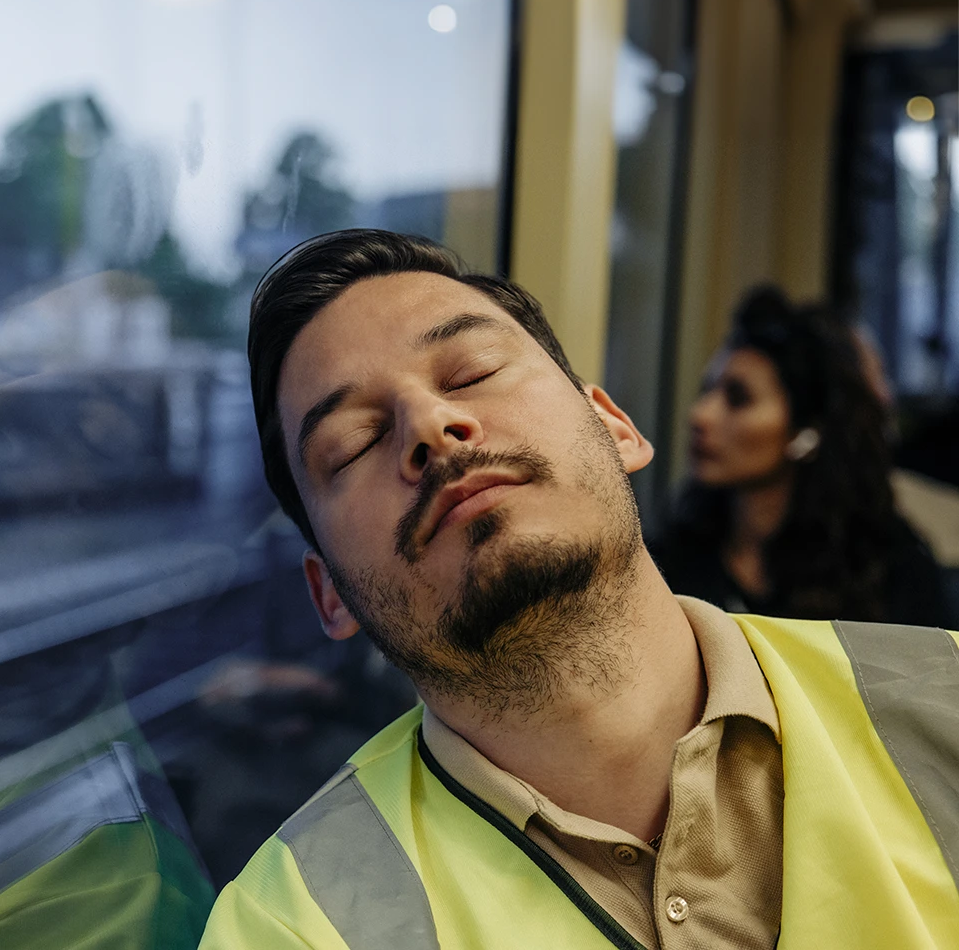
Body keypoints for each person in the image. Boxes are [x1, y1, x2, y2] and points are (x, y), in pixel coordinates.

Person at [199, 229, 959, 950]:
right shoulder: (290, 923)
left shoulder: (943, 703)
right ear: (328, 592)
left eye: (470, 374)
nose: (431, 423)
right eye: (355, 443)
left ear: (615, 427)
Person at [660, 285, 953, 627]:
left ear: (806, 432)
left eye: (738, 399)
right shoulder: (674, 557)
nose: (701, 416)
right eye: (706, 391)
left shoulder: (887, 569)